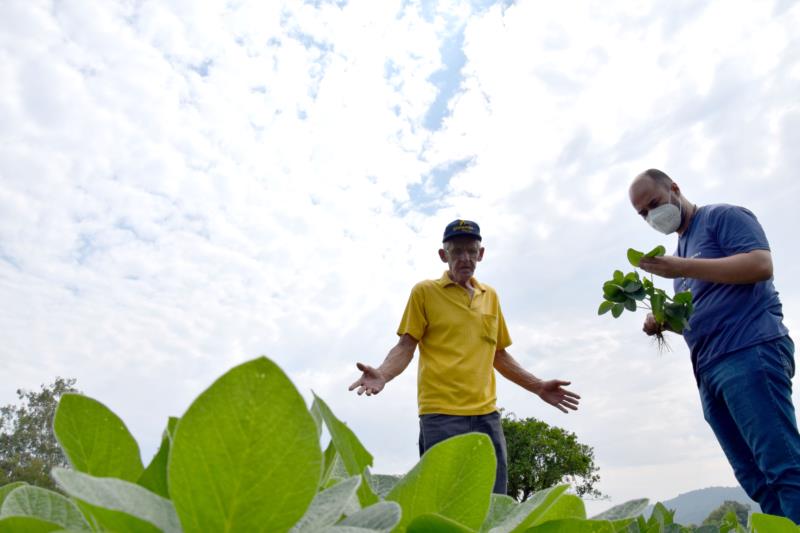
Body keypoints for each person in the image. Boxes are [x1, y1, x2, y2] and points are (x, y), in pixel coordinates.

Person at [349, 219, 580, 495]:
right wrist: (384, 373)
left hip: (487, 417)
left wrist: (538, 386)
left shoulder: (490, 296)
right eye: (456, 251)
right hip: (440, 416)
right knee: (445, 500)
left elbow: (498, 354)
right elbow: (406, 345)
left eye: (471, 251)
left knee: (493, 501)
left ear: (481, 254)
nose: (465, 258)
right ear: (443, 255)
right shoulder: (424, 292)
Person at [629, 169, 800, 523]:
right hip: (709, 369)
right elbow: (702, 316)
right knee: (755, 478)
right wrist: (664, 322)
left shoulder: (722, 217)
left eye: (654, 203)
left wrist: (682, 269)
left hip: (750, 350)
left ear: (675, 188)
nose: (651, 215)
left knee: (782, 466)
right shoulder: (681, 253)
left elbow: (760, 264)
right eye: (642, 213)